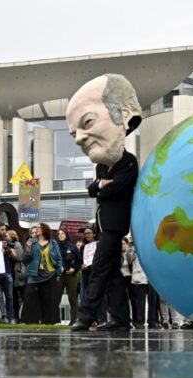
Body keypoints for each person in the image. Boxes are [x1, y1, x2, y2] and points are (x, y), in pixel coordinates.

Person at [66, 74, 142, 332]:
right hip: (104, 226)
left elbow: (116, 189)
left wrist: (102, 188)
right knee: (111, 275)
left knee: (99, 271)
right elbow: (94, 191)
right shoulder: (101, 166)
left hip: (115, 227)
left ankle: (86, 317)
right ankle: (120, 319)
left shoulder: (128, 162)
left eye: (87, 123)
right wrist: (101, 186)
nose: (79, 138)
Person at [21, 222, 63, 324]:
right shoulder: (32, 242)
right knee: (30, 297)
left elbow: (58, 258)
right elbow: (25, 259)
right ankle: (30, 321)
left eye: (40, 228)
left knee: (49, 299)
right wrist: (28, 248)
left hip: (50, 274)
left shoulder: (53, 243)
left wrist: (58, 272)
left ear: (45, 230)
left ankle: (49, 321)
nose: (37, 229)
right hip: (34, 274)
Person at [57, 229, 81, 324]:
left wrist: (74, 269)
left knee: (72, 298)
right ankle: (56, 320)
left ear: (66, 234)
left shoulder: (72, 247)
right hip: (59, 275)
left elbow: (79, 260)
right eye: (59, 234)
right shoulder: (56, 246)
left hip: (71, 275)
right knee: (56, 298)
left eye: (62, 234)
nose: (60, 235)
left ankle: (74, 321)